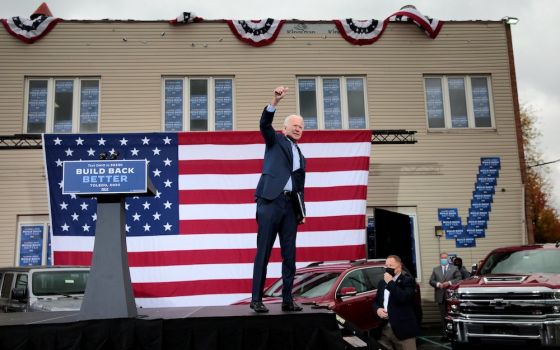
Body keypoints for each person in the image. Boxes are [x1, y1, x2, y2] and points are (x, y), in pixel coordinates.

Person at [250, 86, 306, 313]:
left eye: (302, 126)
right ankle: (256, 299)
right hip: (270, 202)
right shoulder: (274, 141)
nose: (299, 129)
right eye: (295, 125)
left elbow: (300, 187)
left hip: (290, 208)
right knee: (263, 252)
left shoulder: (301, 155)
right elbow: (264, 124)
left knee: (289, 256)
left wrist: (301, 212)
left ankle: (287, 300)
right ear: (284, 128)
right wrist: (275, 101)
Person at [373, 255, 420, 350]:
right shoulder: (382, 282)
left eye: (391, 265)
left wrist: (390, 282)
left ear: (399, 267)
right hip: (385, 328)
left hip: (403, 329)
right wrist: (378, 309)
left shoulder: (408, 281)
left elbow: (403, 297)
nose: (388, 268)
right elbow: (376, 302)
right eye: (386, 265)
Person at [429, 252, 461, 339]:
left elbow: (459, 278)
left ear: (448, 259)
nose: (443, 259)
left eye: (445, 258)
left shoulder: (454, 268)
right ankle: (445, 334)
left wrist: (449, 283)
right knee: (443, 316)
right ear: (440, 259)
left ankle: (455, 333)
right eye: (442, 258)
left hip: (452, 296)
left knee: (453, 316)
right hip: (440, 296)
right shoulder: (436, 269)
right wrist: (438, 284)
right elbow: (431, 281)